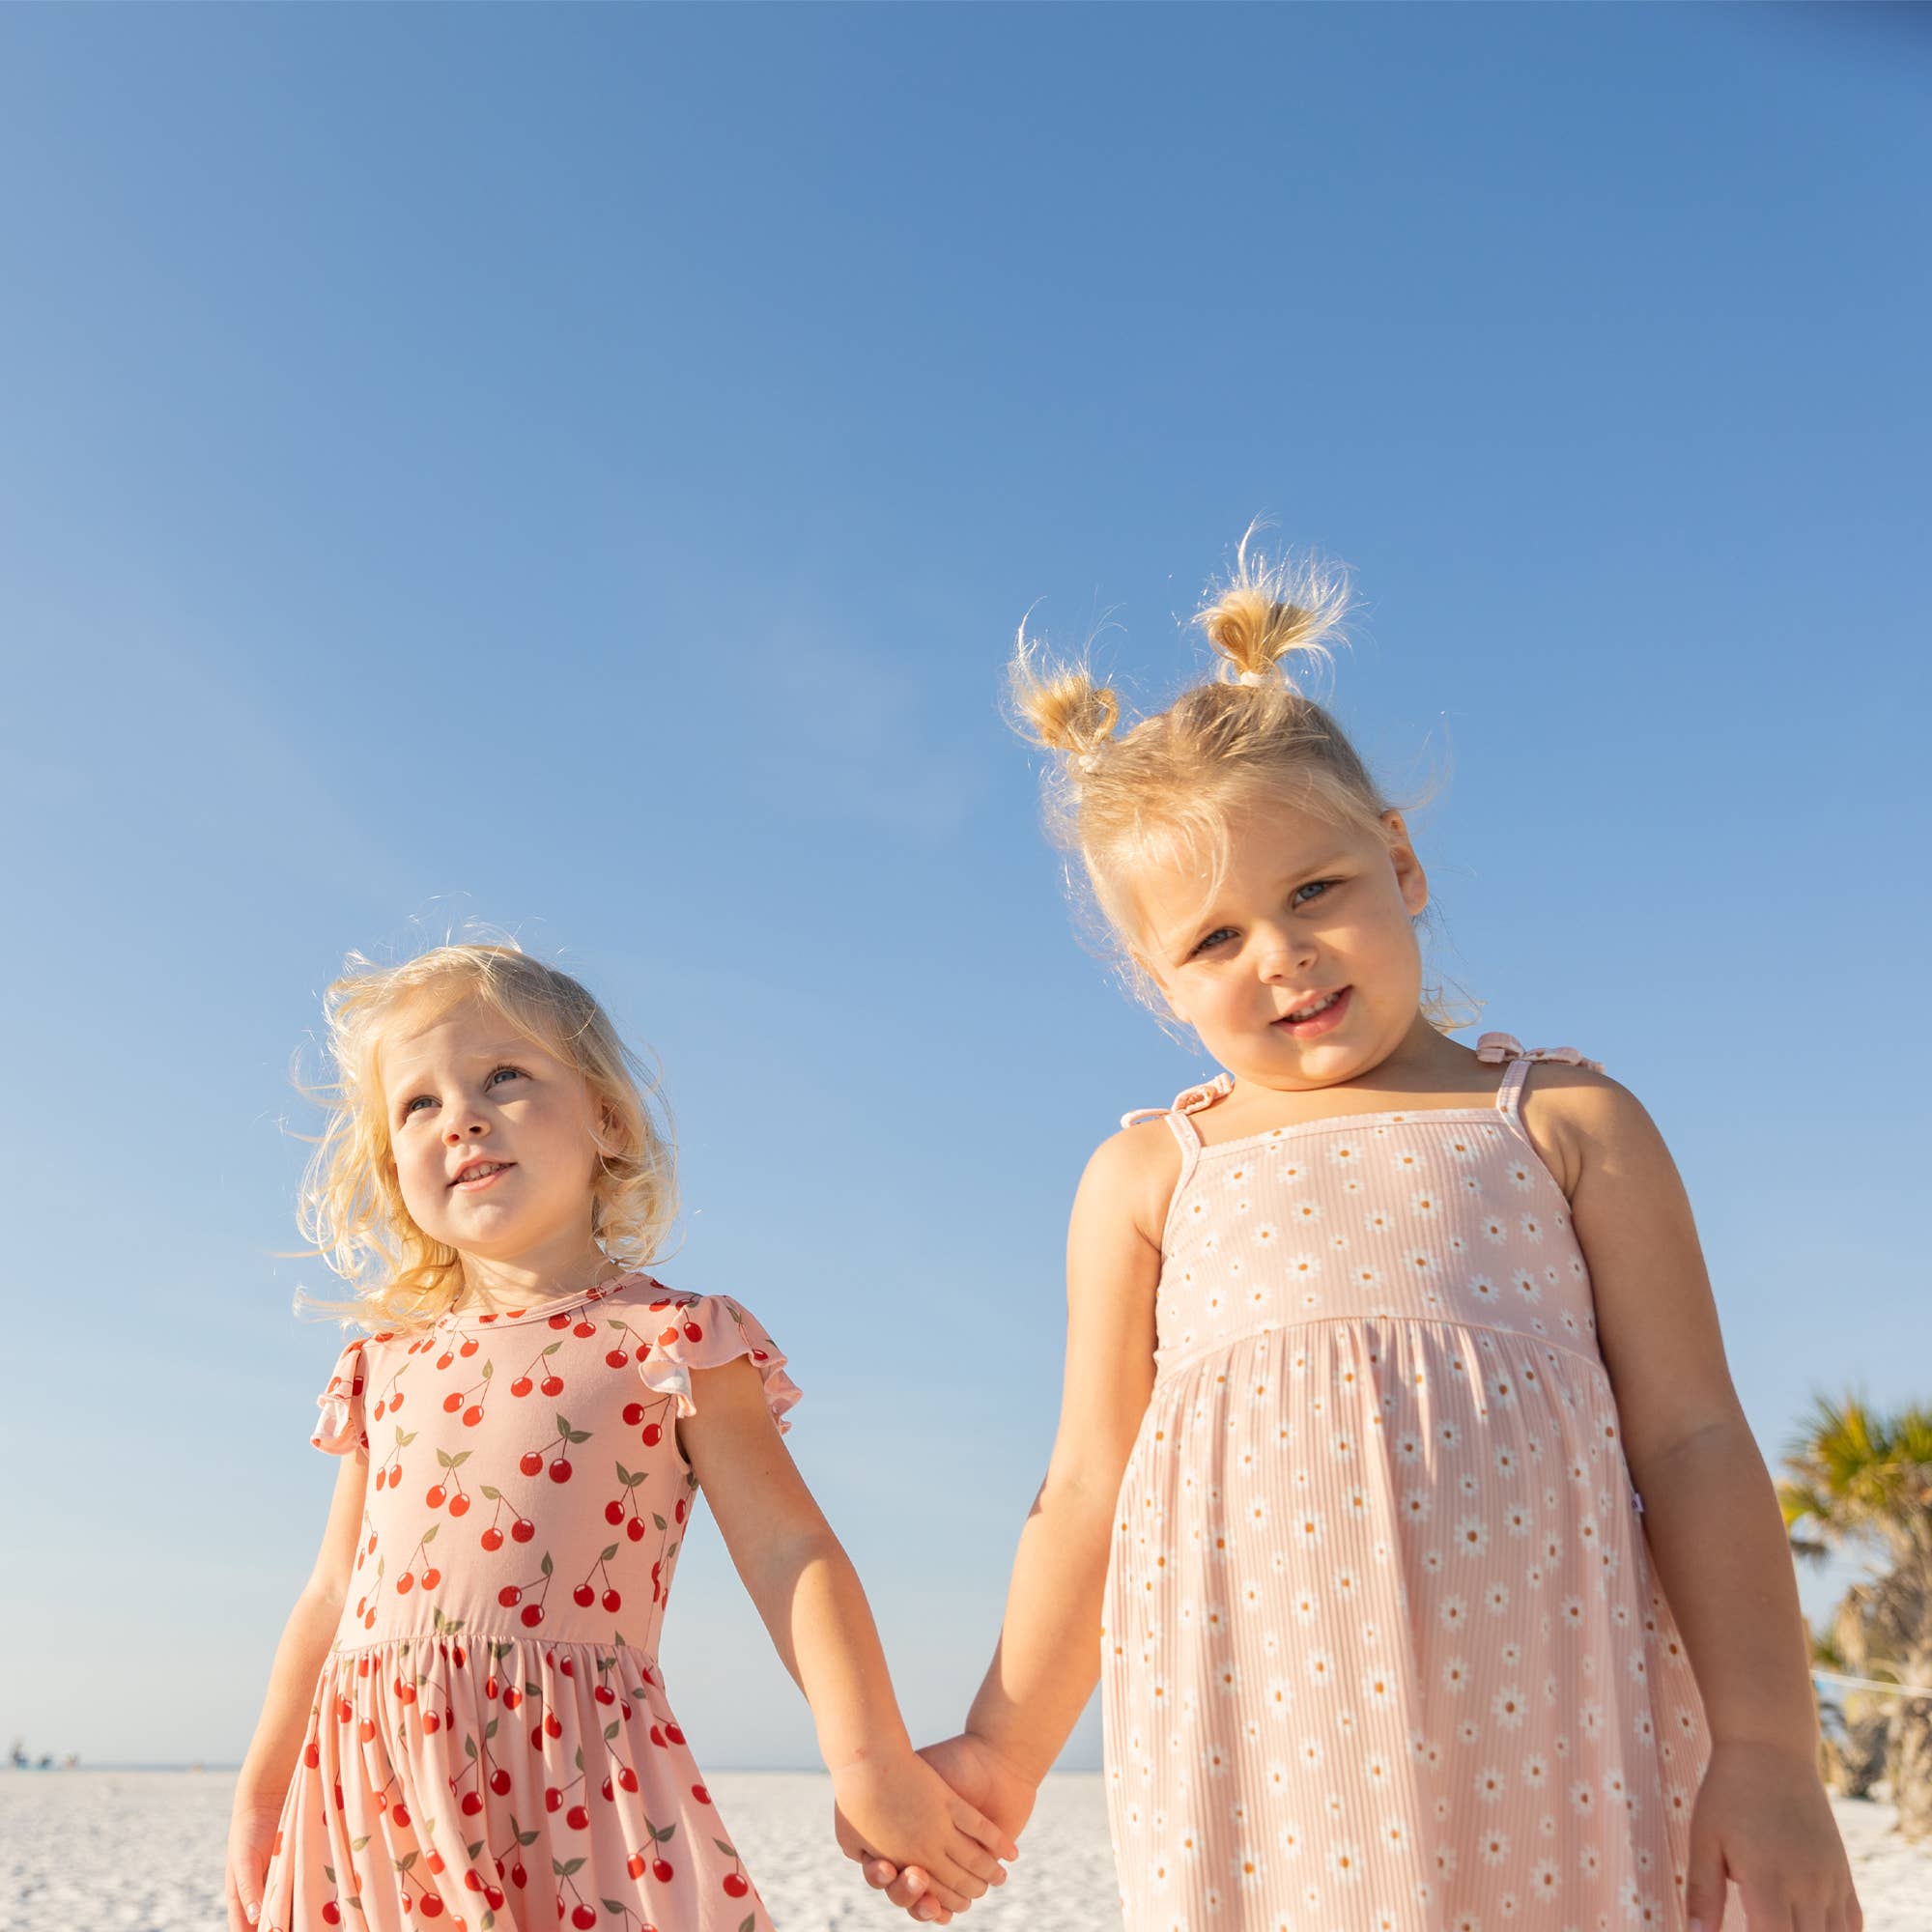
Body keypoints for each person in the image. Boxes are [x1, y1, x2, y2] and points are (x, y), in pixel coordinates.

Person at [846, 538, 1860, 1931]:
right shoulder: (1150, 1174)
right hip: (1266, 1770)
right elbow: (1087, 1489)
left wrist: (1768, 1750)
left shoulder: (1563, 1121)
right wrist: (1006, 1749)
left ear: (1402, 862)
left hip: (1559, 1754)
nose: (1281, 954)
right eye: (1212, 941)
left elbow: (1692, 1439)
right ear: (1159, 984)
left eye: (1316, 890)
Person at [225, 942, 1015, 1932]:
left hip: (571, 1778)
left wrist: (871, 1761)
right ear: (394, 1167)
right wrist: (263, 1793)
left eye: (503, 1075)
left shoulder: (673, 1340)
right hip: (372, 1790)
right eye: (416, 1104)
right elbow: (331, 1593)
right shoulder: (383, 1366)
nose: (460, 1115)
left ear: (604, 1116)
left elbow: (788, 1550)